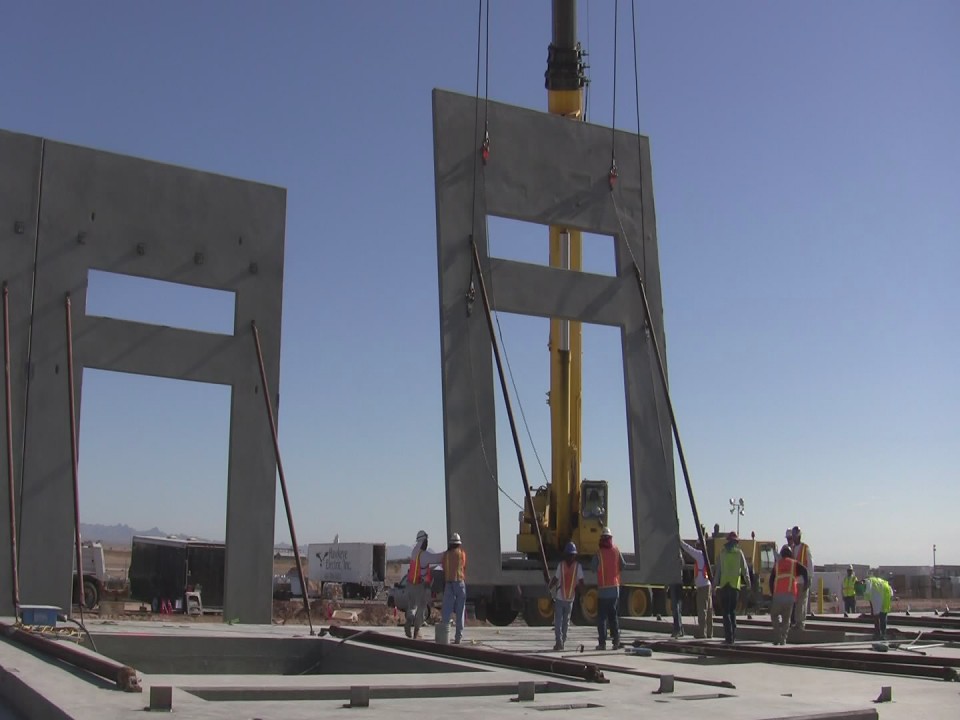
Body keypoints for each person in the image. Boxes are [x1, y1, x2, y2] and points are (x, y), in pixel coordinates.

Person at [591, 526, 625, 650]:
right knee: (613, 617)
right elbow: (623, 565)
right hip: (614, 590)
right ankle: (616, 641)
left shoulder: (599, 553)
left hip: (603, 591)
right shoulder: (616, 550)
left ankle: (602, 643)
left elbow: (593, 568)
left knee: (602, 619)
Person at [405, 530, 443, 639]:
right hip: (419, 585)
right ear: (423, 540)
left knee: (412, 607)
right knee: (421, 608)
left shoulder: (414, 552)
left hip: (410, 584)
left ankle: (409, 619)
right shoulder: (423, 554)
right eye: (426, 541)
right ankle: (416, 631)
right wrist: (447, 552)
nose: (427, 543)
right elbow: (436, 558)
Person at [768, 545, 808, 645]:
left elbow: (771, 580)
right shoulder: (794, 564)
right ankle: (783, 639)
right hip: (790, 596)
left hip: (778, 595)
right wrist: (806, 585)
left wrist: (773, 593)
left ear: (781, 554)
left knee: (774, 615)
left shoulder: (777, 565)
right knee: (786, 619)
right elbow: (805, 571)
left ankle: (777, 636)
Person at [715, 531, 749, 645]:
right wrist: (748, 584)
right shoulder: (739, 553)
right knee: (732, 612)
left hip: (725, 586)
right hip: (735, 587)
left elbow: (718, 572)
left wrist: (714, 586)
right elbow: (745, 570)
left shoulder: (722, 553)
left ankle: (728, 637)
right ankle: (732, 636)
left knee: (726, 613)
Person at [549, 541, 584, 651]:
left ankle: (559, 642)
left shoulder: (561, 565)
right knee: (565, 622)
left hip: (561, 597)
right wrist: (582, 595)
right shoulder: (577, 566)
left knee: (559, 621)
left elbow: (555, 579)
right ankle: (562, 642)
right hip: (569, 598)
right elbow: (581, 582)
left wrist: (549, 587)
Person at [680, 538, 713, 638]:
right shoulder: (706, 556)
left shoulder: (699, 554)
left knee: (702, 610)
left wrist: (680, 541)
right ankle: (709, 633)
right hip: (707, 585)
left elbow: (688, 549)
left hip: (702, 586)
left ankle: (702, 633)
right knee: (709, 610)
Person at [441, 532, 468, 644]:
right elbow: (464, 566)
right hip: (460, 583)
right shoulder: (462, 554)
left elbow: (443, 566)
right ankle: (458, 637)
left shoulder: (446, 555)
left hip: (448, 584)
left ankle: (444, 636)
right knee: (460, 611)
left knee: (446, 611)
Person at [791, 526, 813, 630]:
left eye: (795, 536)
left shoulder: (805, 548)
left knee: (802, 602)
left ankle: (801, 623)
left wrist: (810, 578)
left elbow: (810, 564)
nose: (794, 538)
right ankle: (797, 622)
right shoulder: (793, 549)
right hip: (796, 580)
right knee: (797, 602)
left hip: (804, 579)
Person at [864, 575, 893, 640]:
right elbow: (891, 594)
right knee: (883, 615)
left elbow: (871, 600)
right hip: (887, 592)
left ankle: (878, 634)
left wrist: (872, 610)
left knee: (876, 616)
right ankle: (883, 634)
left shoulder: (868, 586)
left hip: (881, 594)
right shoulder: (875, 581)